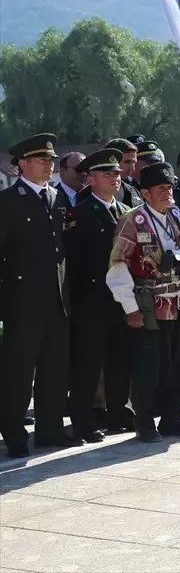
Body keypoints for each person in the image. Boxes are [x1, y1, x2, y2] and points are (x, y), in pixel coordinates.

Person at [106, 161, 180, 441]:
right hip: (150, 305)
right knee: (149, 367)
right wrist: (131, 308)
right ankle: (145, 422)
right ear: (145, 193)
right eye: (160, 188)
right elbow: (118, 265)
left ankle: (172, 418)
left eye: (169, 187)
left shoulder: (176, 216)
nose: (167, 192)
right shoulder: (132, 220)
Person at [0, 134, 76, 457]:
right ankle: (14, 434)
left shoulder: (57, 198)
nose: (49, 164)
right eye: (42, 160)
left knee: (53, 369)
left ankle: (50, 429)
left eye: (51, 160)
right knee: (19, 372)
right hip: (22, 302)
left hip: (56, 300)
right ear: (22, 164)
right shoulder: (8, 201)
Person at [64, 149, 134, 443]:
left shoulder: (126, 211)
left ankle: (118, 412)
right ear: (91, 180)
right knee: (88, 364)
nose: (115, 178)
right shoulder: (79, 214)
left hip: (122, 299)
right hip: (92, 300)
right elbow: (73, 263)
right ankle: (83, 421)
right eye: (108, 174)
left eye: (117, 173)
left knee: (120, 359)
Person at [105, 137, 144, 208]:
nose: (132, 168)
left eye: (134, 163)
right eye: (127, 162)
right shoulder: (90, 194)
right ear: (111, 161)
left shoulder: (134, 192)